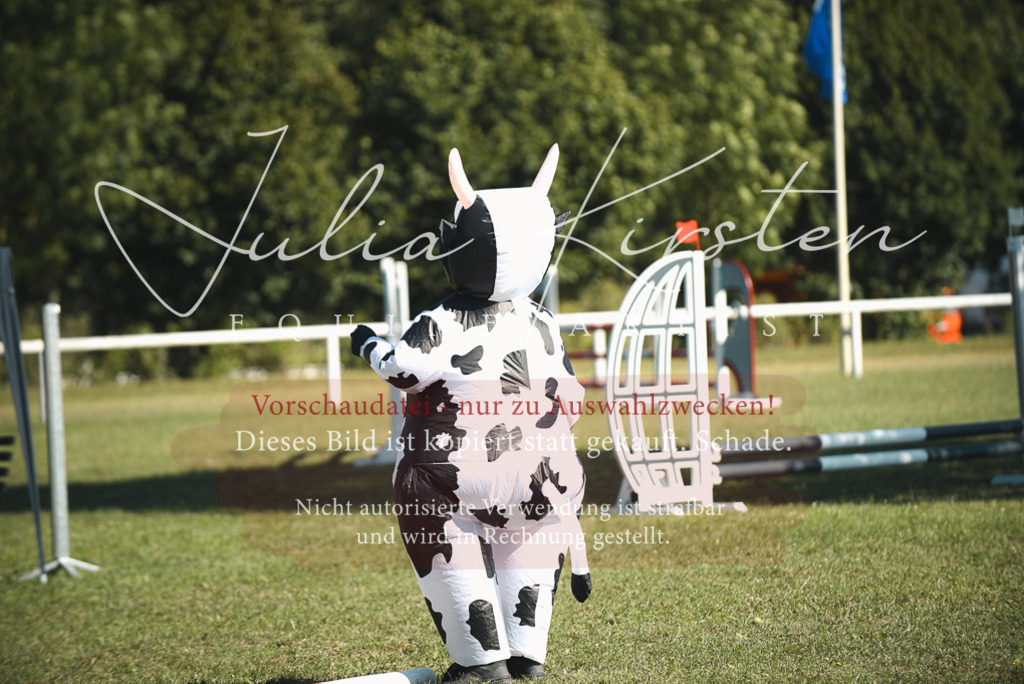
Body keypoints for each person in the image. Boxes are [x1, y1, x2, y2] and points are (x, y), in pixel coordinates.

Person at [351, 145, 591, 683]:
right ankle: (526, 653)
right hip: (542, 472)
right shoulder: (542, 320)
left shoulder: (443, 319)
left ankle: (481, 661)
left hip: (452, 472)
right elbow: (570, 392)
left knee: (441, 529)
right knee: (528, 542)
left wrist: (366, 343)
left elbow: (401, 370)